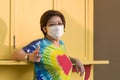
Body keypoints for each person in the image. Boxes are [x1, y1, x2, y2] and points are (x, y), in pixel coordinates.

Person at [12, 10, 85, 80]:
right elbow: (15, 55)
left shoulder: (61, 44)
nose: (57, 27)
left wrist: (75, 60)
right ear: (44, 29)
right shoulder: (39, 44)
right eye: (52, 24)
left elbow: (59, 57)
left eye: (60, 23)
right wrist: (29, 57)